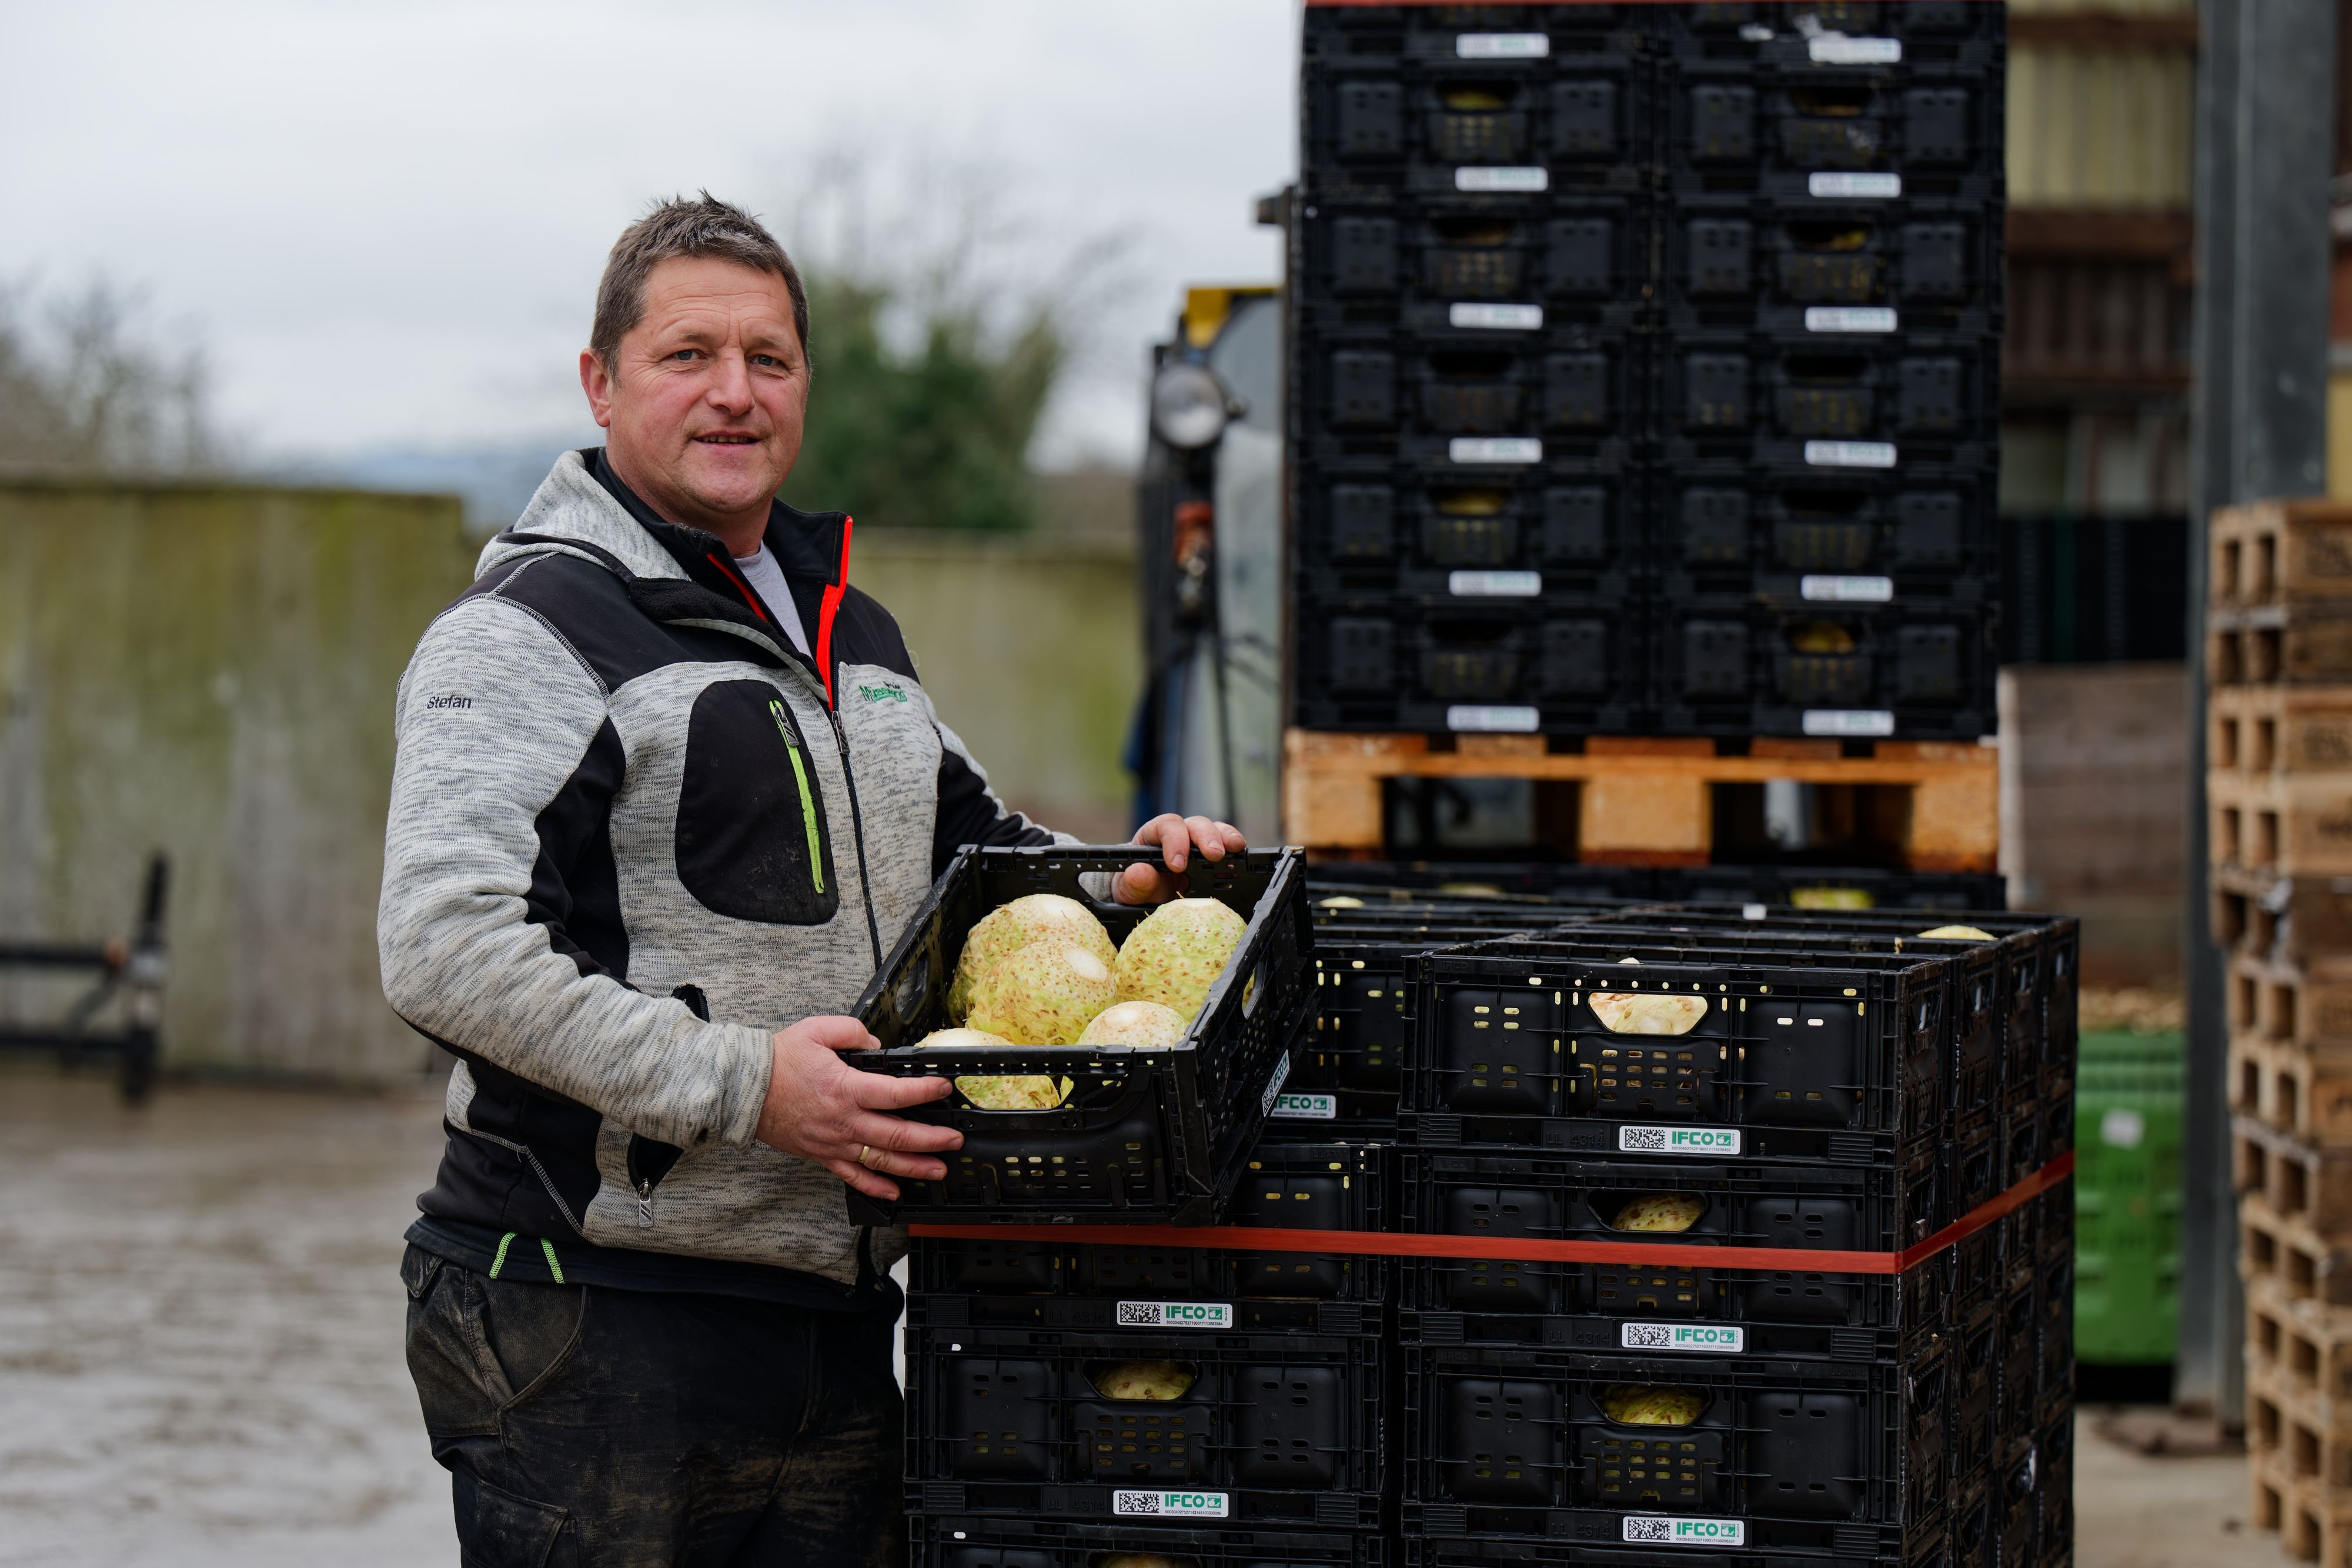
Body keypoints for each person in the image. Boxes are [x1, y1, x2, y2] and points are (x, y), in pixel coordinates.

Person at [377, 192, 1244, 1568]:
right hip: (588, 1308)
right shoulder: (528, 633)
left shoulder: (850, 629)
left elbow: (985, 863)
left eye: (768, 359)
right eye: (688, 355)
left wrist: (1134, 888)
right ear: (600, 381)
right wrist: (750, 1086)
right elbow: (443, 946)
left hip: (832, 1308)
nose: (734, 393)